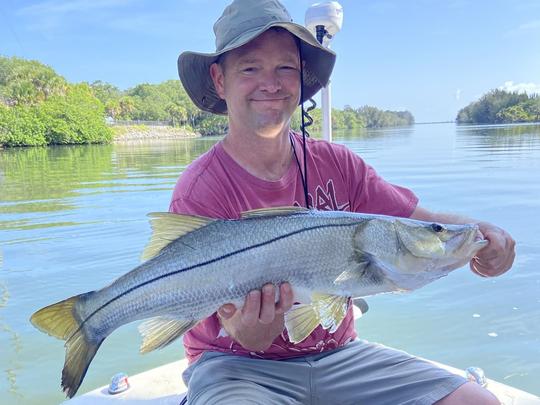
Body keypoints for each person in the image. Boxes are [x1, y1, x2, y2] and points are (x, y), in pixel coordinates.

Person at [170, 0, 515, 403]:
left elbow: (418, 222)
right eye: (250, 68)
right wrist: (246, 333)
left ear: (301, 77)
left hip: (340, 355)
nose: (271, 83)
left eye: (285, 67)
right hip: (235, 366)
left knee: (477, 402)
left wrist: (481, 234)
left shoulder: (339, 163)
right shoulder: (200, 188)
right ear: (219, 80)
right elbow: (209, 312)